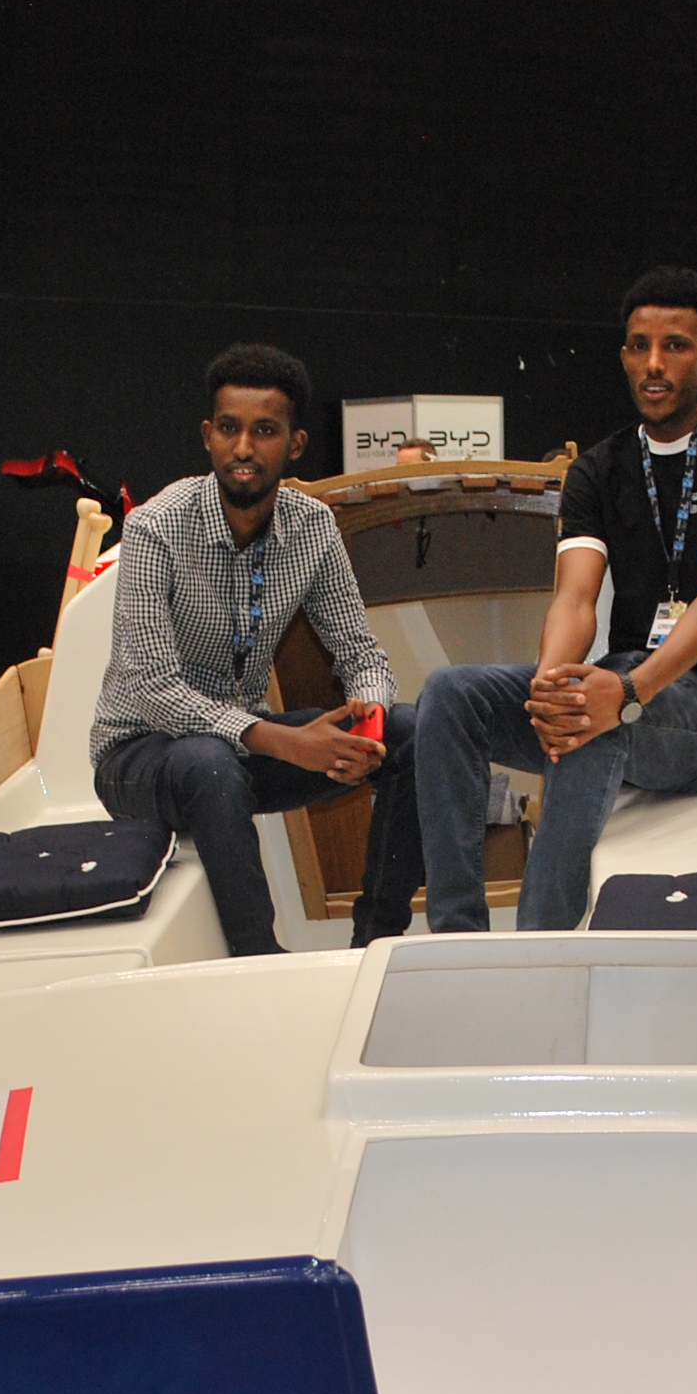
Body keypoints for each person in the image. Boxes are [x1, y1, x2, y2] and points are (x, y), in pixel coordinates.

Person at [415, 267, 697, 931]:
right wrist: (549, 687)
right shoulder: (599, 468)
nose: (654, 364)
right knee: (451, 695)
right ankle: (456, 934)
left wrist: (624, 694)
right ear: (624, 355)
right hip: (627, 689)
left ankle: (542, 942)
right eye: (639, 346)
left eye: (675, 346)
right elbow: (574, 601)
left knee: (596, 706)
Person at [89, 343, 422, 957]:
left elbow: (360, 653)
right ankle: (259, 963)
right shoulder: (156, 528)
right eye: (229, 428)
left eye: (264, 431)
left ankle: (375, 944)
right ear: (208, 436)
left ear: (295, 445)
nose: (243, 447)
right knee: (208, 762)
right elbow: (153, 689)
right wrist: (285, 741)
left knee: (410, 733)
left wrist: (368, 729)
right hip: (139, 757)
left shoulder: (312, 526)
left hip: (240, 751)